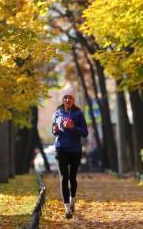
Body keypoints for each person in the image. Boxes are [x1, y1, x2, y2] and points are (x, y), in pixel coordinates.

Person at [52, 87, 88, 219]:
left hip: (75, 150)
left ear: (73, 100)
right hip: (60, 148)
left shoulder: (78, 114)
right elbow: (54, 131)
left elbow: (85, 133)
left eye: (70, 97)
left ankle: (73, 199)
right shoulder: (57, 113)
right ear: (62, 99)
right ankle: (67, 207)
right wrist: (55, 129)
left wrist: (73, 128)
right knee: (64, 177)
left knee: (72, 177)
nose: (67, 99)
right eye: (65, 97)